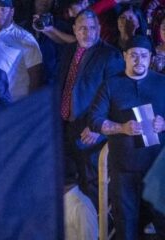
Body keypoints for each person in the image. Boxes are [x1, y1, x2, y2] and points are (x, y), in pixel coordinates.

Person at [89, 35, 165, 240]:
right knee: (126, 227)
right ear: (124, 56)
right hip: (124, 170)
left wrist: (164, 123)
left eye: (143, 55)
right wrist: (122, 127)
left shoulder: (162, 83)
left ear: (151, 57)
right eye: (133, 55)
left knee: (162, 224)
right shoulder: (111, 85)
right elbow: (95, 120)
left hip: (158, 170)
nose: (139, 61)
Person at [56, 9, 124, 208]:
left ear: (99, 29)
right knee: (68, 181)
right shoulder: (69, 50)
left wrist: (97, 127)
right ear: (75, 30)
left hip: (90, 130)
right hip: (65, 125)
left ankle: (95, 230)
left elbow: (115, 97)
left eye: (93, 28)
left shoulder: (110, 55)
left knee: (91, 182)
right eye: (83, 28)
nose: (88, 33)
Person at [0, 0, 43, 101]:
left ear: (12, 11)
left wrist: (30, 105)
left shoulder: (25, 38)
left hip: (14, 105)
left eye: (3, 9)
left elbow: (35, 75)